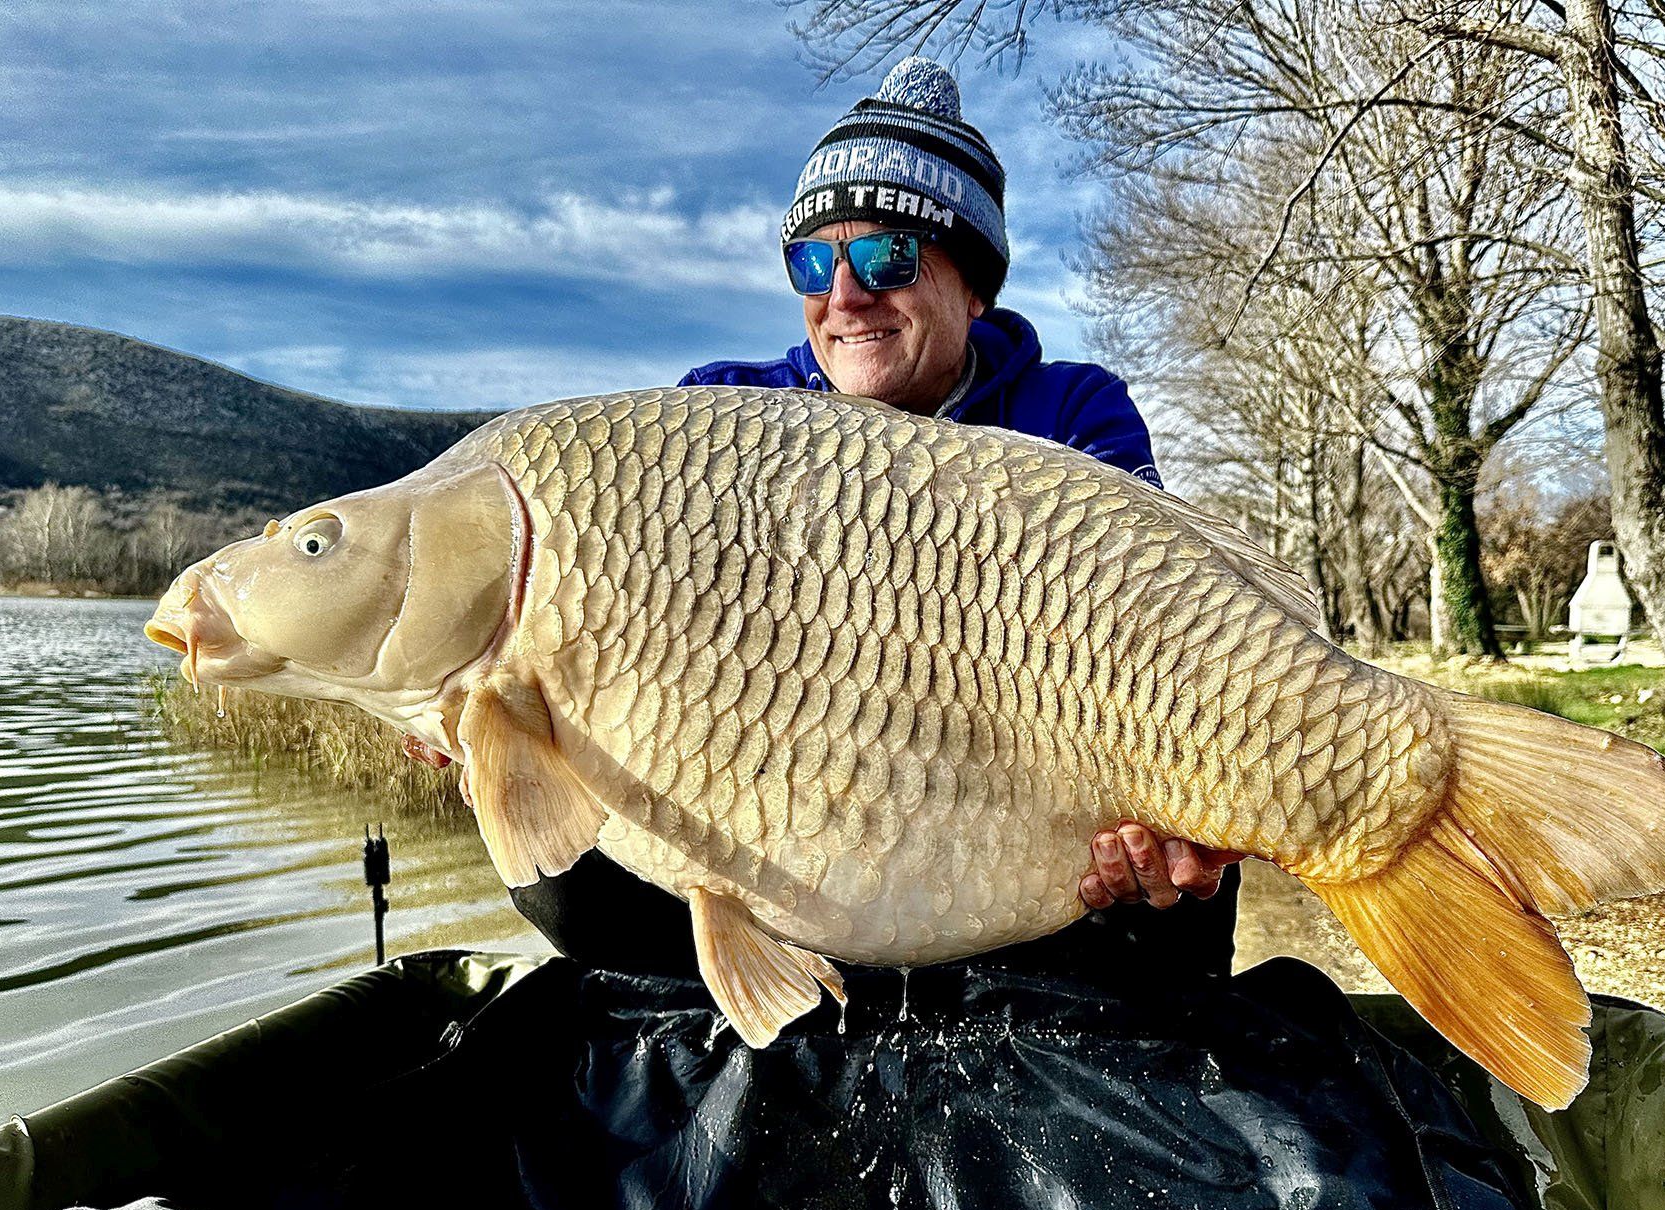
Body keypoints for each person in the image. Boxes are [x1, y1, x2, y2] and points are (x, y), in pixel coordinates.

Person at [509, 56, 1243, 978]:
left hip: (1010, 820)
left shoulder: (1073, 413)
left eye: (887, 256)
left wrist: (1165, 823)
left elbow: (1160, 644)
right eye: (812, 261)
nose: (844, 296)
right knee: (548, 848)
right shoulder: (716, 412)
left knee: (1186, 866)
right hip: (783, 829)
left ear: (974, 288)